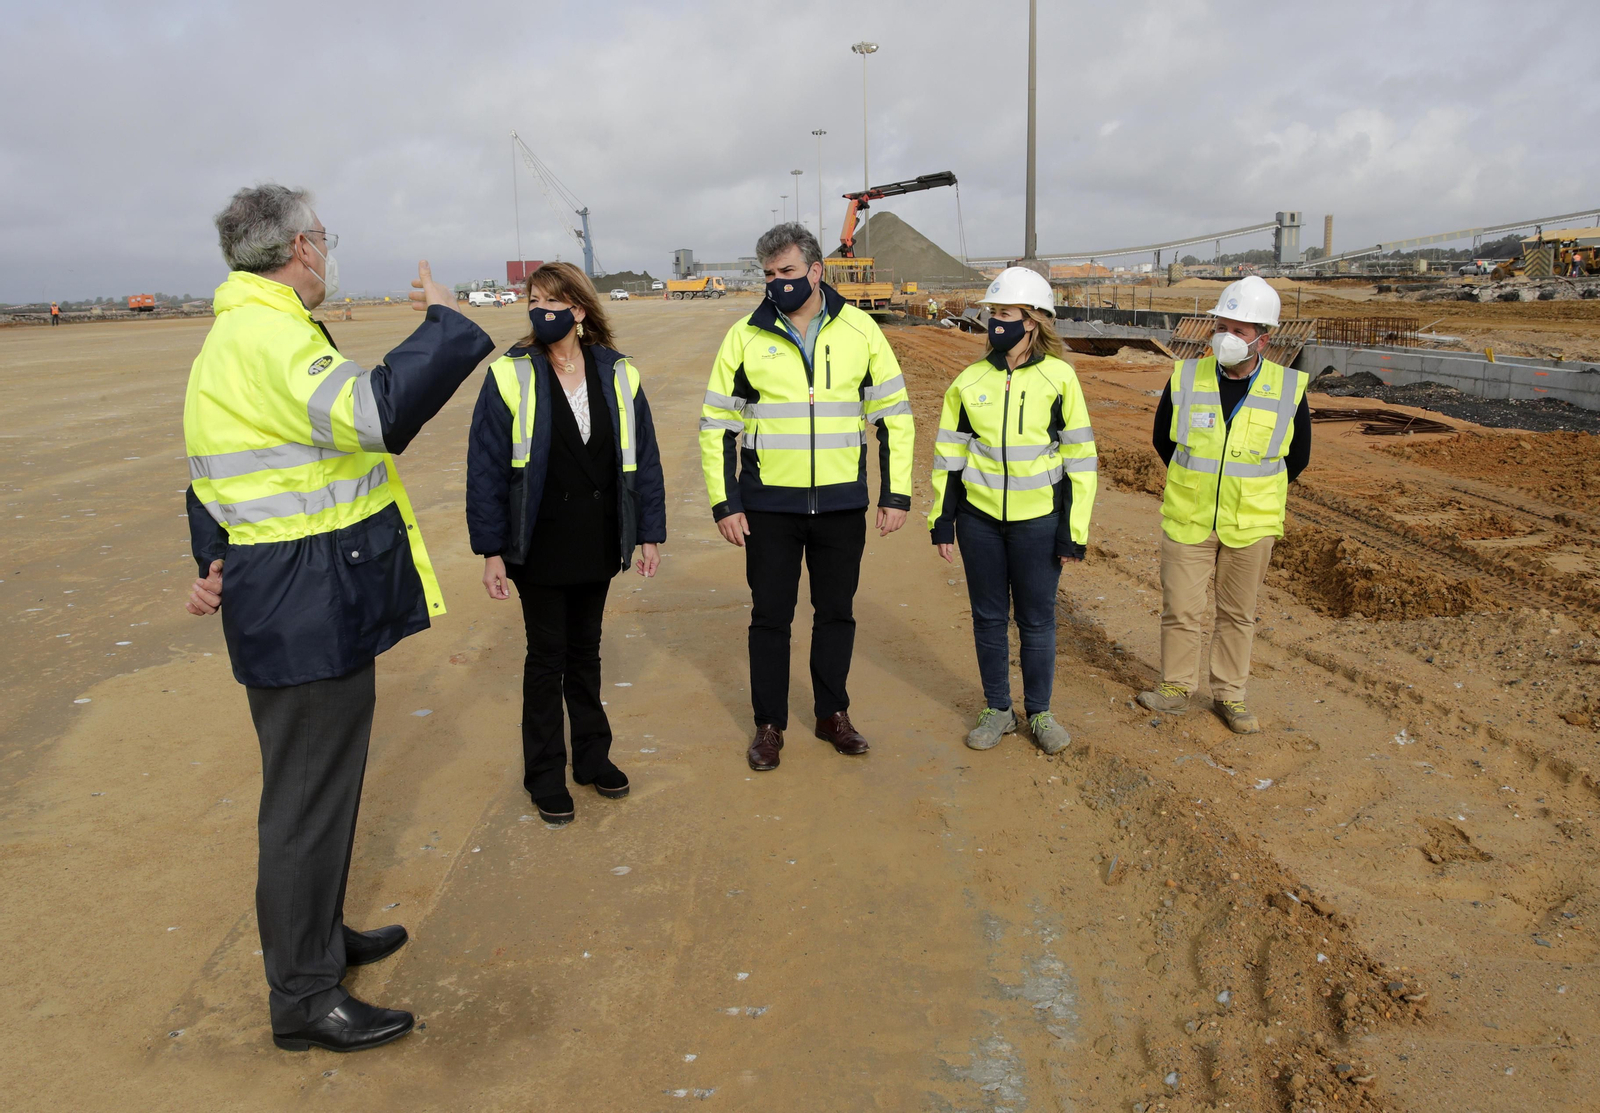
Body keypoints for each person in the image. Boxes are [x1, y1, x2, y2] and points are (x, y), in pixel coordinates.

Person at [182, 184, 493, 1052]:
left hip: (293, 594)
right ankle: (304, 996)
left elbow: (210, 469)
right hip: (301, 603)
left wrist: (210, 554)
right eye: (323, 237)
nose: (327, 251)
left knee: (321, 792)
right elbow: (375, 414)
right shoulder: (268, 332)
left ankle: (317, 941)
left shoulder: (233, 332)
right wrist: (447, 325)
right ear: (300, 248)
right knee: (306, 804)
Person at [700, 223, 915, 771]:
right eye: (769, 274)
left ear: (816, 271)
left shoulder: (861, 331)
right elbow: (717, 426)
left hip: (841, 505)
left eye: (788, 272)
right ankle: (768, 725)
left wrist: (895, 493)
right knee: (770, 617)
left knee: (835, 614)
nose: (777, 283)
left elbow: (893, 416)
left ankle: (831, 715)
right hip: (769, 506)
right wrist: (726, 502)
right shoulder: (746, 337)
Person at [466, 262, 666, 824]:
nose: (541, 312)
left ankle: (593, 759)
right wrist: (492, 550)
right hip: (539, 542)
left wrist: (649, 531)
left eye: (553, 302)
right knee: (546, 657)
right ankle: (545, 773)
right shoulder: (510, 374)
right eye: (534, 301)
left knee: (587, 652)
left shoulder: (618, 373)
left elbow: (643, 458)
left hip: (598, 539)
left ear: (578, 310)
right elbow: (484, 469)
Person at [928, 267, 1096, 754]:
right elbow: (949, 458)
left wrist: (1073, 531)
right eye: (991, 314)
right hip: (979, 523)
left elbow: (1081, 461)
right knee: (987, 617)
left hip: (1038, 523)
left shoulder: (1060, 378)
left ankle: (1040, 713)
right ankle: (998, 709)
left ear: (1032, 320)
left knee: (1038, 621)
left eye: (1002, 314)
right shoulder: (968, 381)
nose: (992, 323)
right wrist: (943, 521)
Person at [1137, 275, 1310, 734]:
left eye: (1239, 330)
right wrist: (1202, 483)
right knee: (1181, 608)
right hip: (1190, 516)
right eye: (1222, 326)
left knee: (1238, 614)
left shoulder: (1289, 387)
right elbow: (1163, 440)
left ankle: (1230, 696)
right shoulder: (1186, 376)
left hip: (1250, 524)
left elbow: (1298, 458)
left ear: (1263, 338)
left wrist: (1246, 491)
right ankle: (1174, 688)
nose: (1226, 338)